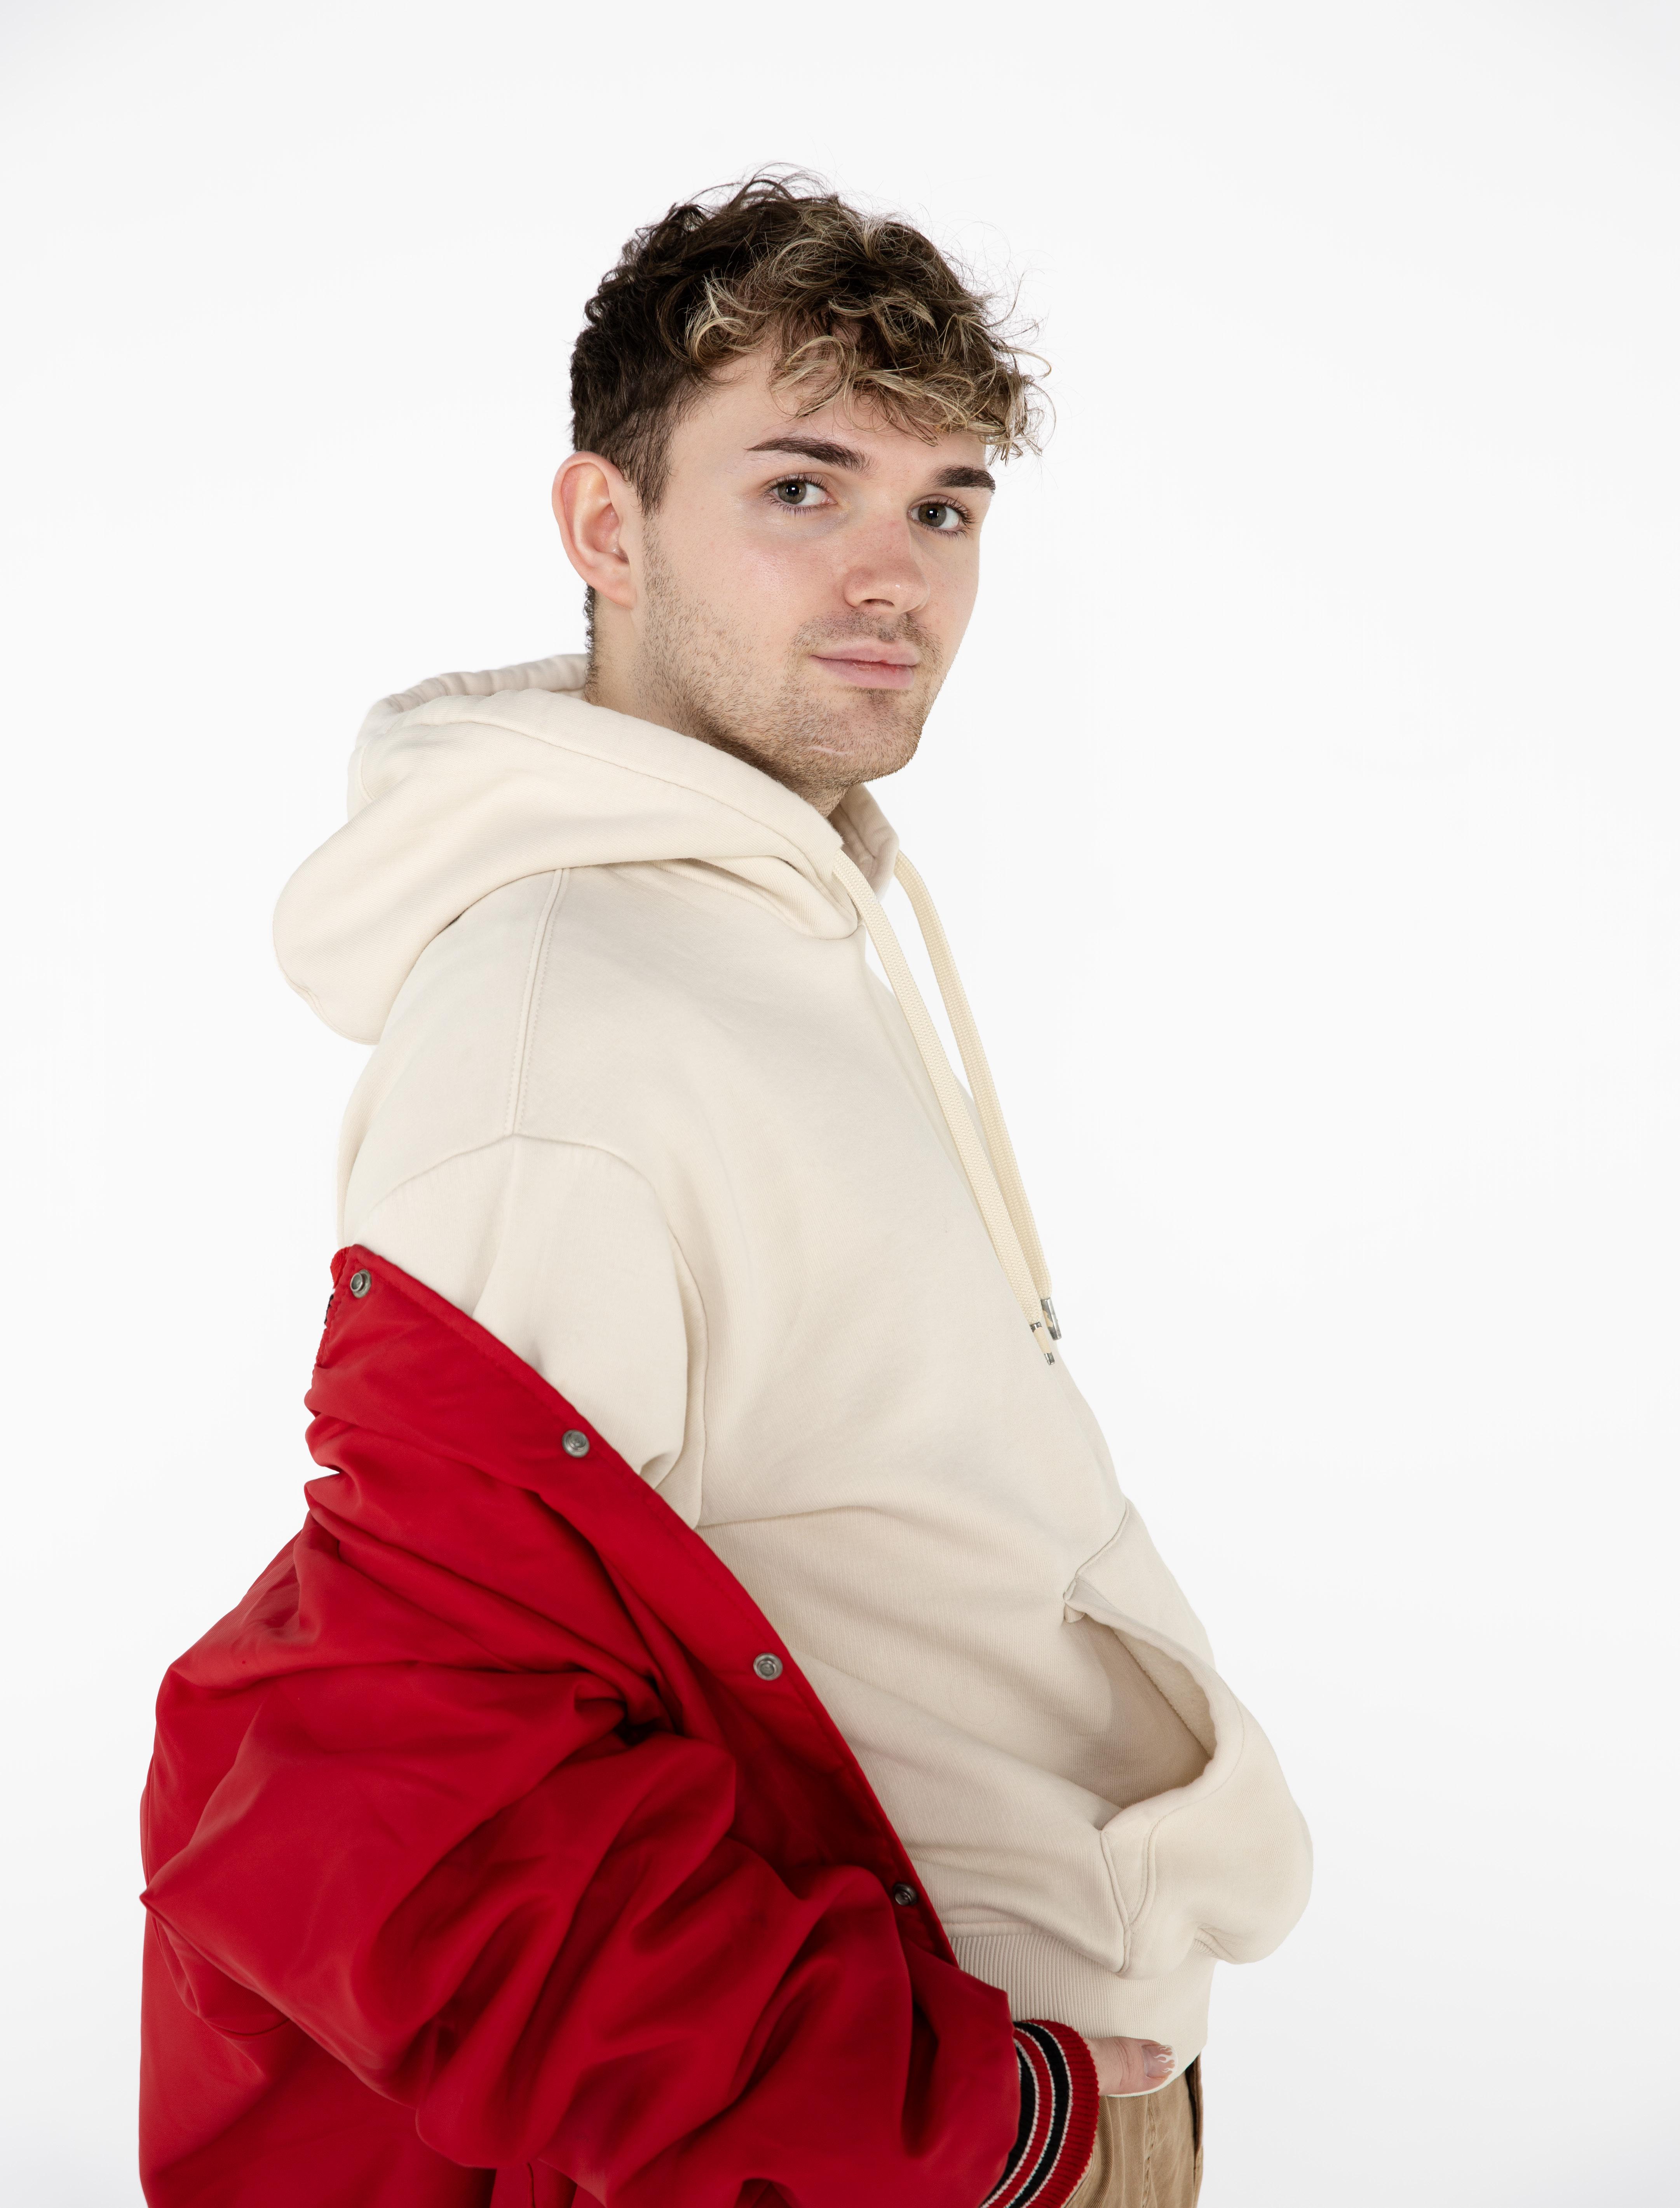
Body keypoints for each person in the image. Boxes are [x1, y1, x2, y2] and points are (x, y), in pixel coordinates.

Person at [139, 174, 1312, 2208]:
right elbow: (412, 1784)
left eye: (944, 507)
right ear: (607, 528)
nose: (892, 575)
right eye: (801, 488)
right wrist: (983, 2123)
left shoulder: (771, 925)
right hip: (901, 2126)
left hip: (1000, 2076)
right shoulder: (562, 1021)